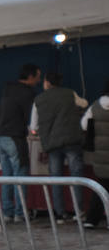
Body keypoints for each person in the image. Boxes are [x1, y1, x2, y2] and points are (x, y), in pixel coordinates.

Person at [31, 70, 87, 224]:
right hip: (71, 140)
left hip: (52, 144)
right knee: (76, 177)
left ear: (47, 82)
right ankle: (78, 212)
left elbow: (34, 126)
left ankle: (60, 214)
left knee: (56, 178)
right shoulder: (70, 93)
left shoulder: (38, 100)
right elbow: (84, 103)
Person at [0, 63, 40, 220]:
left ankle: (7, 212)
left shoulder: (8, 89)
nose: (39, 80)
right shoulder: (28, 93)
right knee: (20, 176)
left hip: (1, 136)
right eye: (38, 77)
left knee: (7, 177)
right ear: (30, 76)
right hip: (15, 137)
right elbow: (32, 119)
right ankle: (20, 213)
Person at [82, 79, 109, 229]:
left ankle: (91, 220)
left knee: (101, 188)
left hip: (100, 154)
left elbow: (84, 125)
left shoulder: (95, 105)